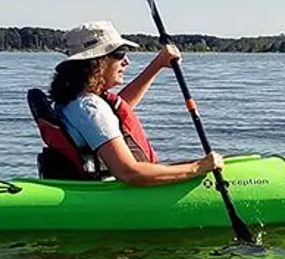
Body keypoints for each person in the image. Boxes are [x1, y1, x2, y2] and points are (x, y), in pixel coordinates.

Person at [48, 20, 223, 186]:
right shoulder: (91, 109)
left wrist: (158, 64)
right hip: (120, 190)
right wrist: (198, 168)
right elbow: (128, 172)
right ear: (96, 63)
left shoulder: (74, 101)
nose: (126, 61)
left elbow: (117, 111)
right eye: (119, 54)